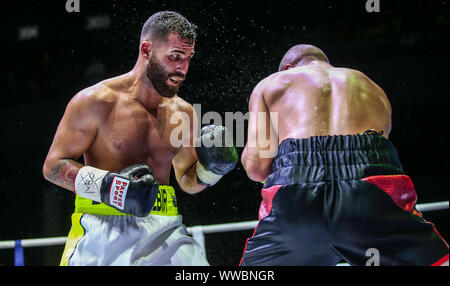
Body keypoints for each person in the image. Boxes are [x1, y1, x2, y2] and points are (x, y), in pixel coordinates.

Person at [42, 11, 237, 266]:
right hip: (102, 227)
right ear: (147, 50)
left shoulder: (184, 113)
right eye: (175, 57)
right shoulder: (95, 101)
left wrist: (212, 169)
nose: (183, 68)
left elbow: (187, 179)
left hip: (166, 227)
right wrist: (110, 187)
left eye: (188, 58)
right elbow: (53, 167)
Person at [239, 44, 449, 266]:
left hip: (296, 192)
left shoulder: (271, 83)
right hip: (370, 187)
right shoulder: (371, 86)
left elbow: (257, 168)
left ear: (288, 68)